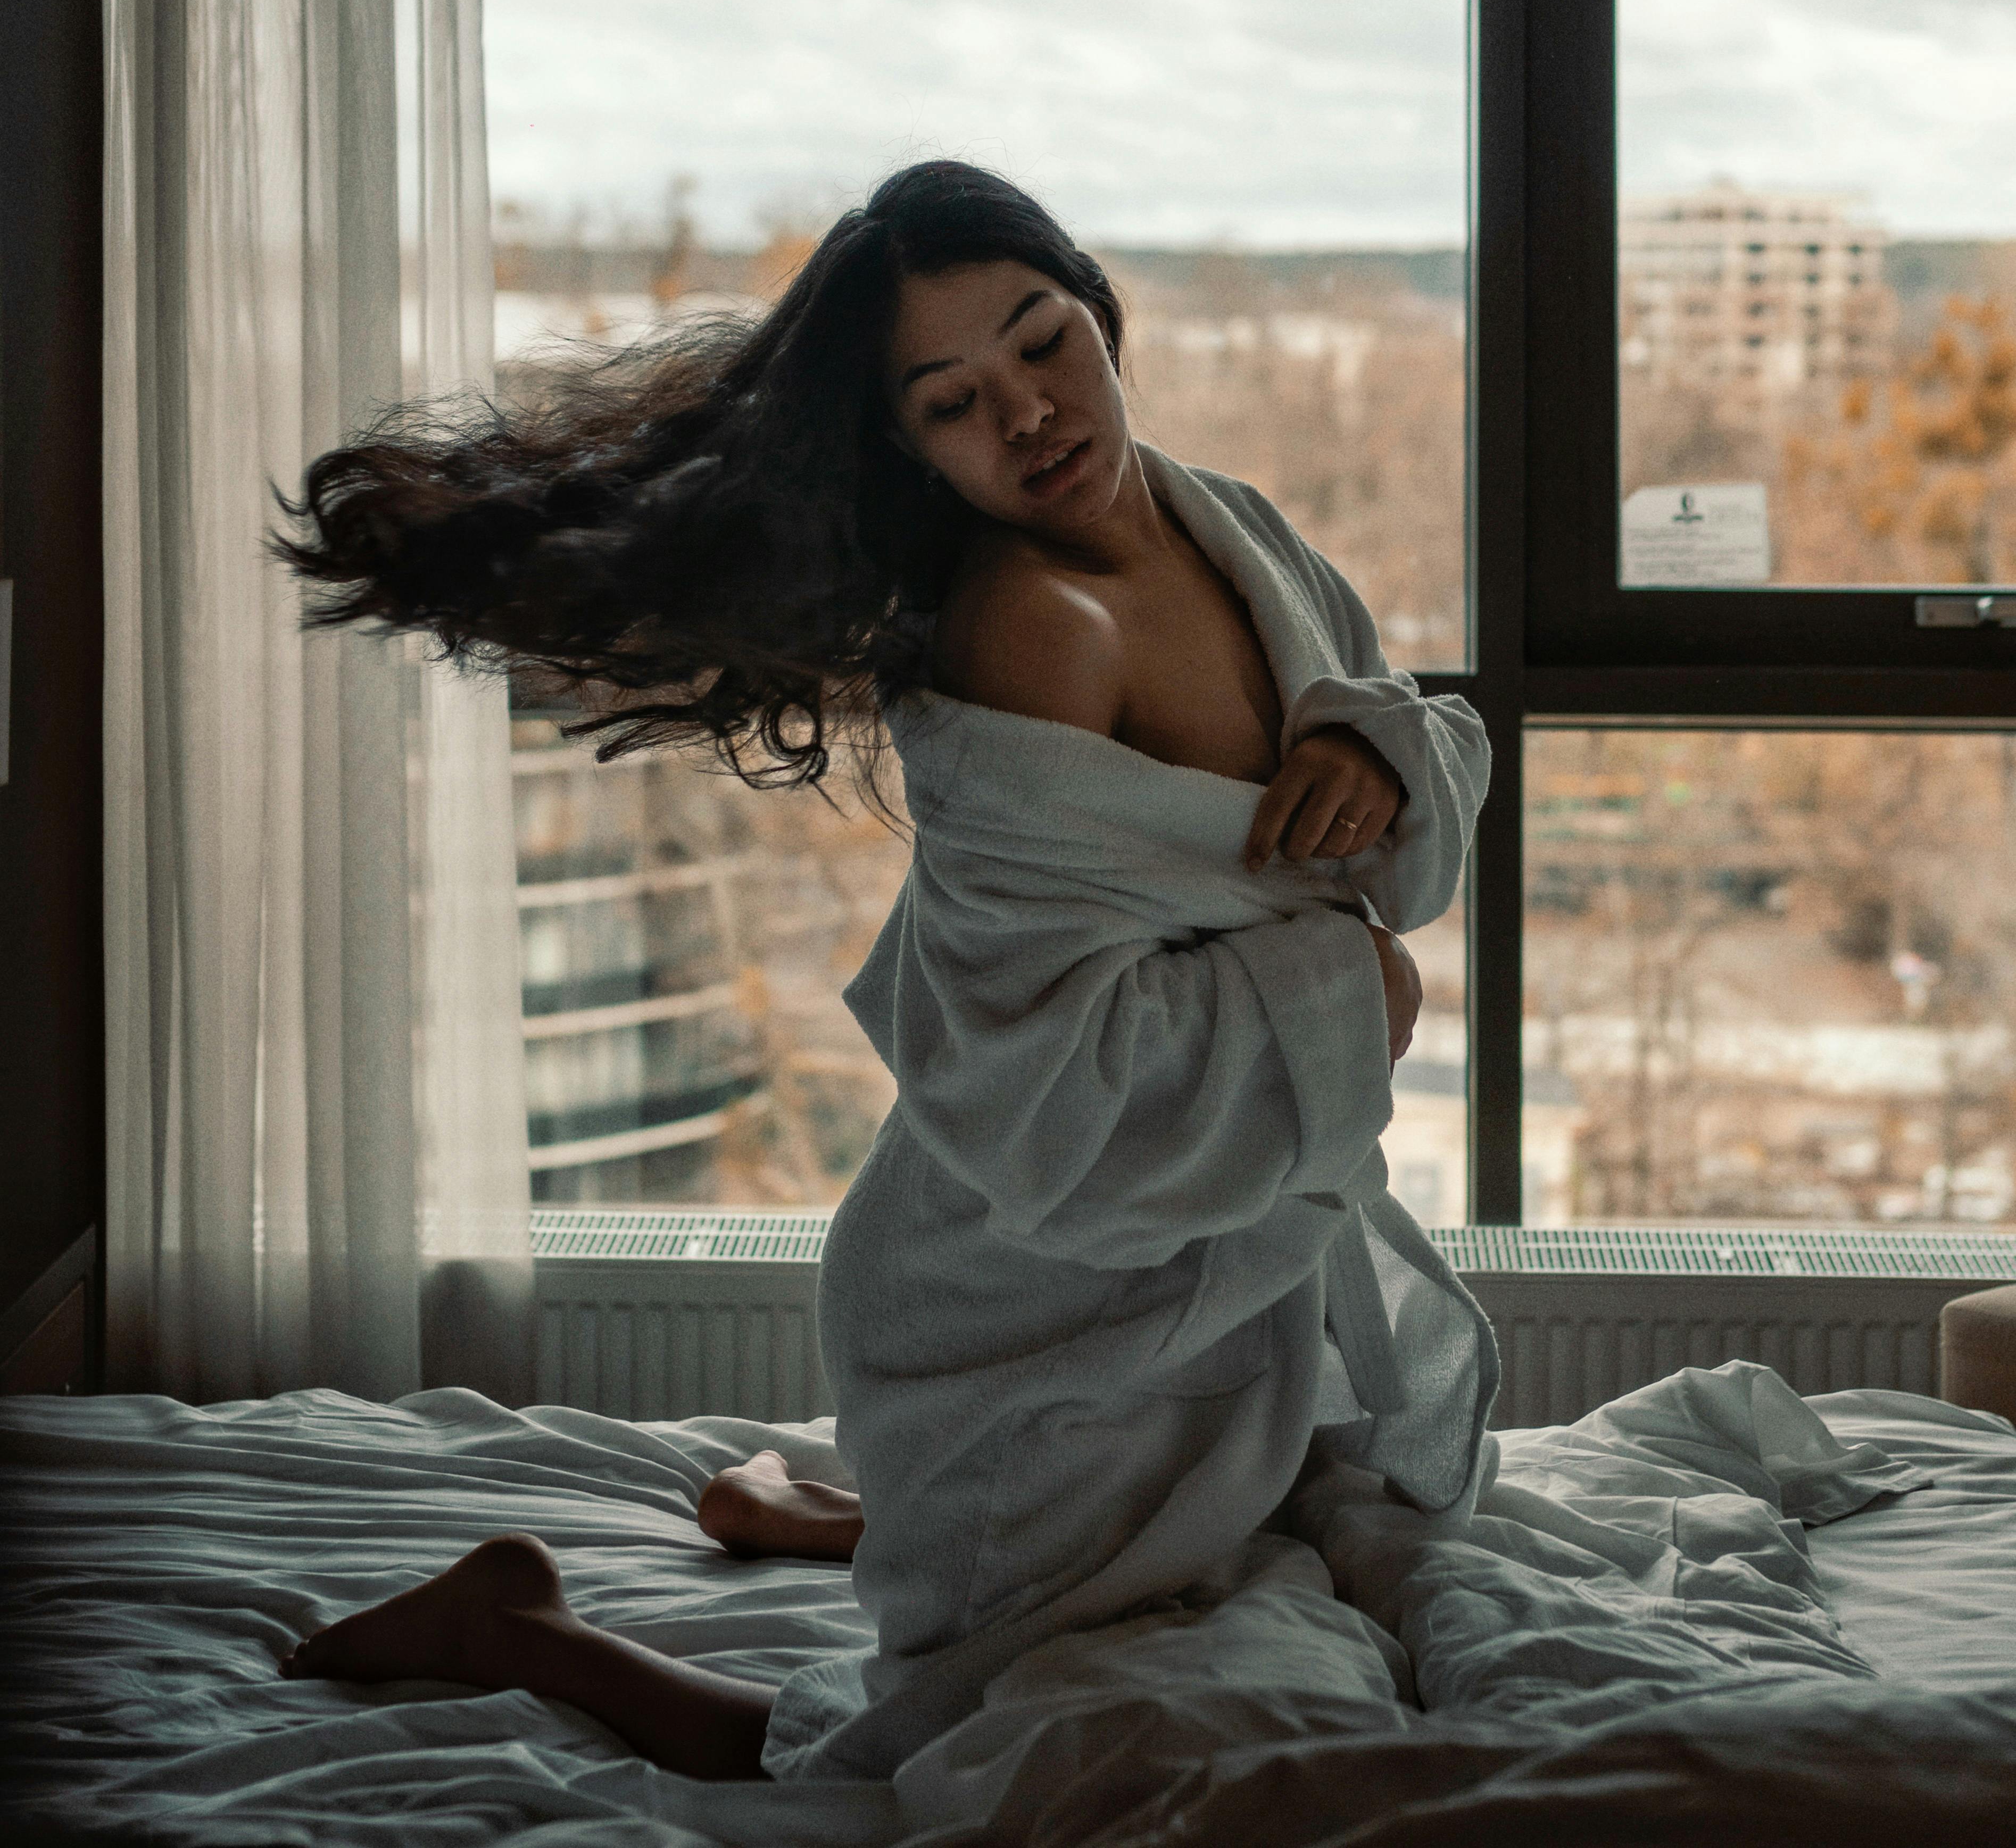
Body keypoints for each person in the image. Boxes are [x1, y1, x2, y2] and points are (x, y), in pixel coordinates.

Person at [274, 159, 1496, 1783]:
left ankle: (829, 1504)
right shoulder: (1036, 629)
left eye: (1043, 340)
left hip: (1194, 1266)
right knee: (913, 1756)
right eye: (953, 399)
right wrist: (1358, 997)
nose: (1032, 412)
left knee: (1249, 1567)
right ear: (908, 442)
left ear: (1098, 309)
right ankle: (518, 1623)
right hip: (1038, 1281)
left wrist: (1383, 744)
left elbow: (1399, 751)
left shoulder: (1229, 521)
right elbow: (1050, 1079)